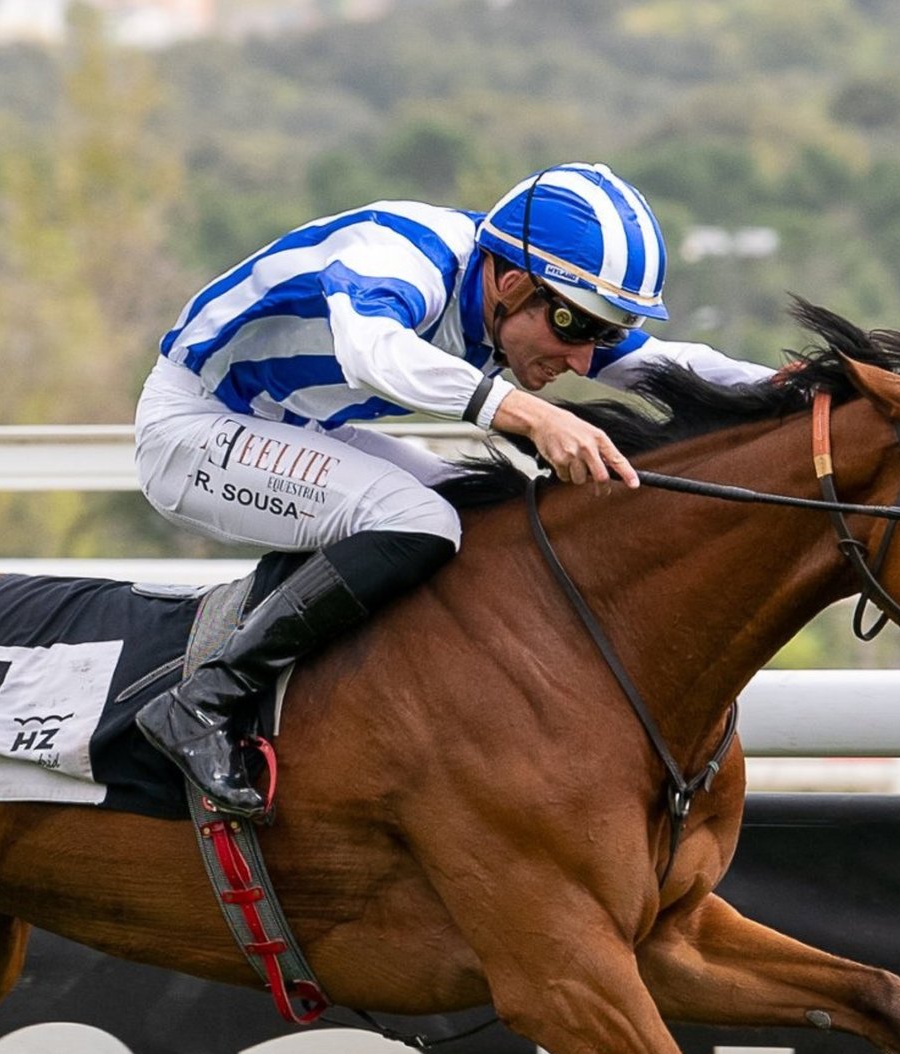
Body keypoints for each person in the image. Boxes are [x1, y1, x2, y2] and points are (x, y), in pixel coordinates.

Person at [134, 162, 776, 817]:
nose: (583, 360)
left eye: (602, 334)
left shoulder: (522, 302)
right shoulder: (404, 256)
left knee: (483, 516)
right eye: (575, 326)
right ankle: (204, 700)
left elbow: (667, 365)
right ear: (512, 280)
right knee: (422, 520)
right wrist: (533, 413)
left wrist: (805, 389)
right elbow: (372, 353)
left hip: (298, 424)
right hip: (195, 428)